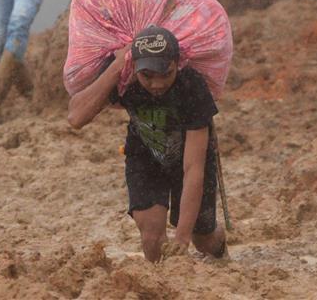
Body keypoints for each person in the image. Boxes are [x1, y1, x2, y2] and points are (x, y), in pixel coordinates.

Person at [67, 26, 226, 262]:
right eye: (147, 76)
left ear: (177, 64)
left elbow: (194, 168)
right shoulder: (122, 75)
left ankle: (220, 248)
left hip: (188, 158)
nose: (157, 84)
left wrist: (182, 237)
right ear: (134, 67)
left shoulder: (192, 85)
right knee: (151, 237)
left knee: (203, 240)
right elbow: (76, 118)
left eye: (166, 74)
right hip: (145, 153)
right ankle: (160, 280)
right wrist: (116, 67)